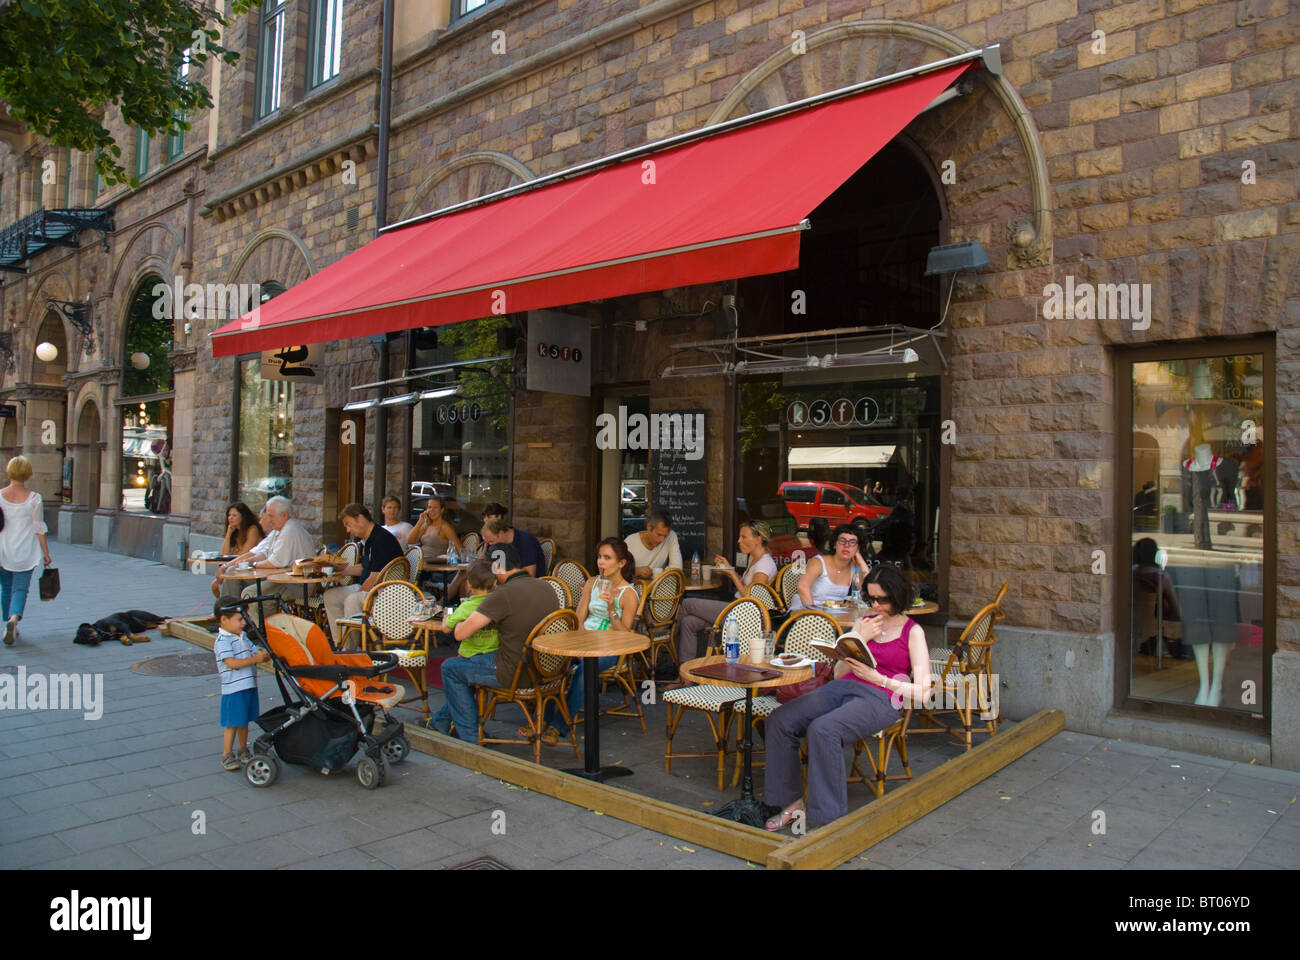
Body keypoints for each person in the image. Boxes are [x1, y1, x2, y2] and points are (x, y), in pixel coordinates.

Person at [764, 566, 932, 829]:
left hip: (882, 697)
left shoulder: (912, 631)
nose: (875, 605)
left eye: (882, 600)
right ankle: (791, 802)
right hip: (842, 688)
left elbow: (924, 691)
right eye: (871, 598)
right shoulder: (863, 623)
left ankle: (827, 818)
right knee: (780, 719)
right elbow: (840, 673)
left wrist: (880, 679)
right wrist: (857, 639)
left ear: (898, 597)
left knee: (824, 729)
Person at [432, 543, 559, 743]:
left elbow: (461, 633)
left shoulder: (503, 594)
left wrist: (455, 621)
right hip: (549, 670)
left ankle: (470, 737)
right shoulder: (547, 586)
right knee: (473, 662)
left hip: (516, 672)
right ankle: (439, 721)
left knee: (451, 668)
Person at [541, 538, 639, 743]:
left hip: (612, 647)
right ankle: (543, 721)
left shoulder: (628, 594)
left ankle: (558, 727)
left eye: (607, 558)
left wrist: (612, 609)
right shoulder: (592, 583)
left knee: (586, 669)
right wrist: (578, 643)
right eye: (599, 557)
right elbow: (579, 617)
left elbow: (626, 636)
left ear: (621, 563)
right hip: (584, 640)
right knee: (552, 663)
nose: (600, 562)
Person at [673, 521, 778, 664]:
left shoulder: (764, 565)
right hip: (736, 608)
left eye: (743, 537)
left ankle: (669, 641)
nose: (739, 540)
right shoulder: (754, 558)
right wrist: (730, 569)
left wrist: (732, 575)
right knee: (688, 622)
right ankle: (683, 676)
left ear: (758, 540)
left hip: (743, 616)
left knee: (686, 603)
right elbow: (747, 587)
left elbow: (752, 600)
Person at [426, 559, 499, 734]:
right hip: (493, 653)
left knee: (454, 676)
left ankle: (465, 732)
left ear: (468, 584)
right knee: (461, 689)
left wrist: (446, 618)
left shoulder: (466, 606)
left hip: (469, 656)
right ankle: (440, 722)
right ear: (495, 582)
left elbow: (446, 629)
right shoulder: (499, 603)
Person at [323, 503, 405, 648]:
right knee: (331, 596)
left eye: (348, 524)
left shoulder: (381, 539)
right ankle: (340, 644)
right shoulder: (369, 539)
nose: (348, 530)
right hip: (372, 587)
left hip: (384, 593)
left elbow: (374, 577)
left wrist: (358, 592)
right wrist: (341, 570)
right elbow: (366, 568)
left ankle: (351, 650)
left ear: (360, 519)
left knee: (352, 599)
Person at [224, 496, 317, 621]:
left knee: (250, 592)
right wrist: (248, 561)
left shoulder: (290, 530)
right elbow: (265, 553)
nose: (269, 520)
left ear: (284, 515)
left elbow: (274, 563)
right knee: (233, 574)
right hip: (281, 579)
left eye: (271, 516)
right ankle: (230, 619)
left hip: (297, 584)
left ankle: (260, 630)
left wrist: (254, 564)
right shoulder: (279, 530)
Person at [0, 456, 51, 646]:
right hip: (25, 552)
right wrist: (46, 553)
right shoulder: (34, 498)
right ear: (28, 474)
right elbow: (39, 528)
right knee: (20, 589)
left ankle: (9, 624)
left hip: (2, 550)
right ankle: (14, 620)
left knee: (5, 588)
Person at [213, 600, 270, 770]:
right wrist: (255, 660)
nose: (244, 622)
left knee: (243, 721)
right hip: (234, 688)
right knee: (232, 723)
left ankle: (243, 749)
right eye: (240, 619)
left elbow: (254, 650)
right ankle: (226, 754)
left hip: (248, 685)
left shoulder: (242, 636)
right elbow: (231, 663)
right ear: (224, 620)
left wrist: (262, 655)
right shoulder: (223, 641)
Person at [789, 524, 869, 611]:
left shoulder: (854, 567)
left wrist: (860, 561)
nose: (847, 545)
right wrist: (814, 616)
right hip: (806, 612)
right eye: (842, 540)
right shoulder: (818, 562)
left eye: (852, 542)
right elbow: (803, 586)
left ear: (858, 548)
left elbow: (867, 589)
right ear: (835, 544)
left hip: (835, 614)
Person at [211, 502, 264, 598]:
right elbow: (225, 554)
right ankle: (223, 609)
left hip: (251, 568)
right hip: (236, 566)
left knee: (222, 582)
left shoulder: (253, 529)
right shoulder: (235, 531)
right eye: (229, 515)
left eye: (234, 515)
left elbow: (245, 553)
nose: (230, 518)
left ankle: (229, 609)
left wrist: (230, 561)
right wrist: (228, 534)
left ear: (243, 517)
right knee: (215, 585)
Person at [625, 508, 682, 580]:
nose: (662, 540)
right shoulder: (630, 542)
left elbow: (677, 570)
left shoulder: (671, 536)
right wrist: (637, 571)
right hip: (633, 589)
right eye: (659, 534)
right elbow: (619, 572)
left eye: (665, 536)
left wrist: (653, 572)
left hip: (657, 589)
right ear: (649, 527)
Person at [408, 495, 461, 562]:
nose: (431, 510)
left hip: (434, 565)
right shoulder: (426, 525)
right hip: (420, 561)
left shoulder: (445, 527)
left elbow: (459, 549)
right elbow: (410, 541)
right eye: (429, 507)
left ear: (442, 510)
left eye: (435, 507)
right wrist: (420, 522)